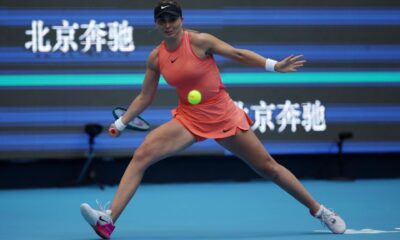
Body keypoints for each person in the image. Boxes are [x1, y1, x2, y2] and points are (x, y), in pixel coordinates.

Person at [80, 1, 346, 239]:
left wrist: (273, 65)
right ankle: (108, 220)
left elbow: (238, 54)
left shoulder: (200, 41)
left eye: (172, 19)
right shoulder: (156, 57)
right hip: (188, 118)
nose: (168, 25)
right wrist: (122, 123)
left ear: (181, 20)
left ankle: (320, 211)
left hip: (222, 114)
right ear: (156, 24)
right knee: (142, 156)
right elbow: (145, 97)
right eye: (162, 20)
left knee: (268, 168)